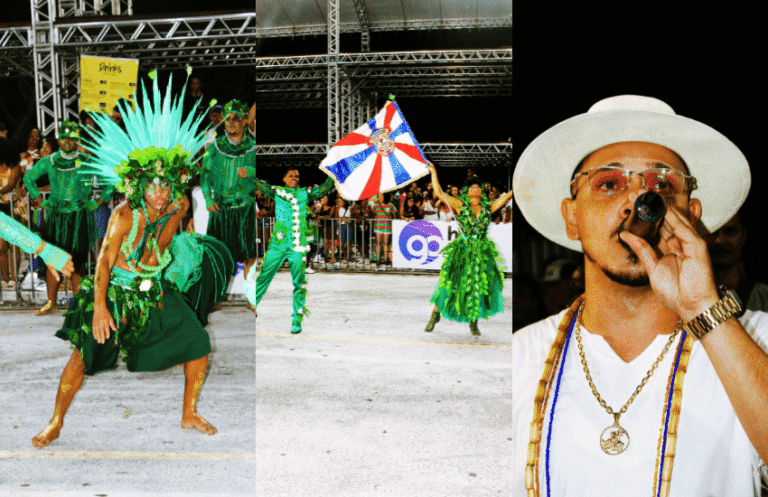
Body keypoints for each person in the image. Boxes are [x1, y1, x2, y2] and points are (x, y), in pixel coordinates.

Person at [512, 95, 768, 496]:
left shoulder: (755, 340)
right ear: (571, 217)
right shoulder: (520, 356)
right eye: (609, 184)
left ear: (692, 213)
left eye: (661, 185)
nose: (638, 200)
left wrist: (701, 307)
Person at [31, 73, 226, 448]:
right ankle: (55, 421)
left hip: (153, 287)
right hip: (115, 290)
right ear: (138, 185)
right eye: (151, 184)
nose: (159, 191)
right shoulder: (123, 214)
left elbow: (167, 243)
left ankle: (189, 412)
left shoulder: (178, 204)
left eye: (165, 183)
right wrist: (100, 308)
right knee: (82, 357)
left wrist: (173, 242)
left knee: (198, 343)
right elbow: (103, 264)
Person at [23, 121, 115, 315]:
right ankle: (51, 302)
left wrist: (99, 202)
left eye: (72, 137)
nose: (67, 141)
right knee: (51, 258)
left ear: (77, 139)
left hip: (80, 216)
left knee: (78, 263)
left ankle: (79, 305)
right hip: (56, 217)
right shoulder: (49, 161)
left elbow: (112, 180)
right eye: (64, 137)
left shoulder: (87, 161)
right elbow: (28, 178)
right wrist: (40, 200)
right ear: (58, 138)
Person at [424, 163, 513, 335]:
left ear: (481, 193)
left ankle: (473, 321)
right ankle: (435, 314)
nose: (475, 188)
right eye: (472, 187)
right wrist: (433, 171)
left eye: (477, 187)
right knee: (449, 284)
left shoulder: (488, 208)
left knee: (477, 287)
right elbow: (439, 193)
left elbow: (508, 196)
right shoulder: (459, 204)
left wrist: (516, 186)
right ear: (468, 192)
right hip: (463, 251)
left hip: (481, 253)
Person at [253, 169, 334, 333]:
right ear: (283, 178)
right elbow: (258, 184)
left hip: (297, 245)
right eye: (291, 175)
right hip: (278, 244)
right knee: (263, 277)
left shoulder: (305, 193)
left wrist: (332, 173)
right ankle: (251, 306)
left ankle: (296, 320)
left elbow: (324, 189)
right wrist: (247, 172)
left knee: (299, 283)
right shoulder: (276, 191)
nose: (294, 178)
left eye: (297, 176)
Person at [200, 99, 257, 307]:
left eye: (235, 118)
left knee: (249, 257)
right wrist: (207, 198)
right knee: (215, 255)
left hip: (245, 209)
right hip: (220, 209)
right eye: (227, 119)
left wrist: (251, 171)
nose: (230, 122)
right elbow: (204, 174)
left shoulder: (253, 148)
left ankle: (252, 297)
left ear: (244, 122)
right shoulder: (214, 146)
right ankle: (214, 296)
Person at [705, 210, 768, 312]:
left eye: (729, 231)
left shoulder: (764, 298)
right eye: (713, 231)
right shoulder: (683, 299)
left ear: (743, 236)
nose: (719, 240)